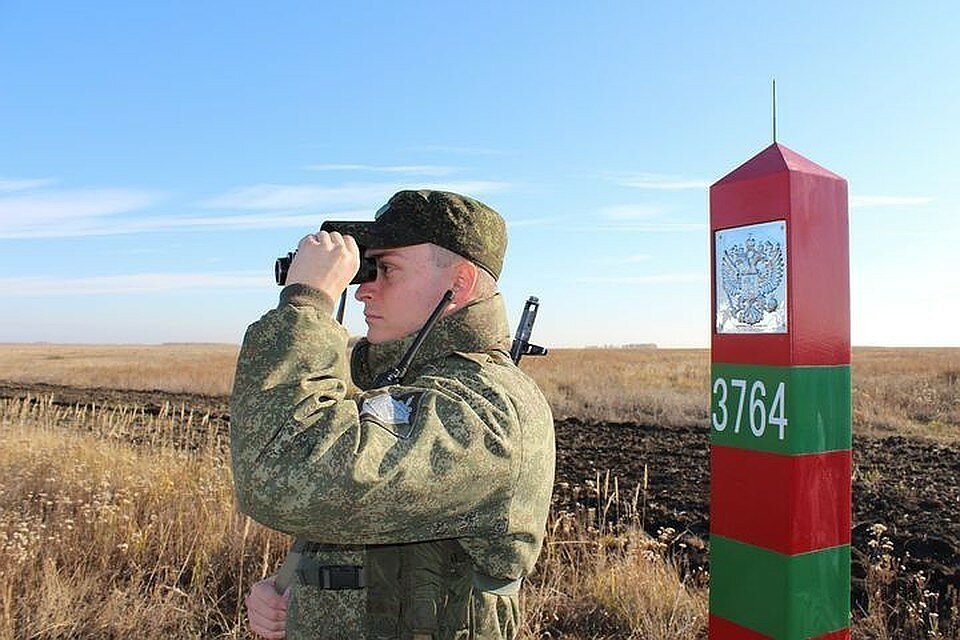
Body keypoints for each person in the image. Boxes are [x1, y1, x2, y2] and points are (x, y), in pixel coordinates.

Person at [230, 189, 555, 640]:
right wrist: (293, 587)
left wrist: (307, 303)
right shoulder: (400, 386)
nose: (363, 290)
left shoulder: (486, 409)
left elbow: (282, 469)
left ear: (457, 285)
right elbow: (351, 514)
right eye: (366, 270)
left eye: (386, 269)